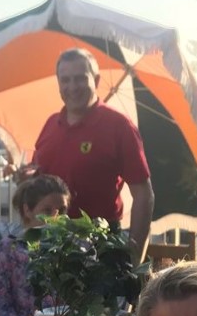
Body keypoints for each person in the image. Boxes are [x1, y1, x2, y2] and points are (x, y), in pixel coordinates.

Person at [30, 48, 153, 262]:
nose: (72, 87)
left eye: (80, 79)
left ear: (96, 81)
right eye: (65, 80)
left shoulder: (119, 126)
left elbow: (144, 195)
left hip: (100, 247)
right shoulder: (50, 125)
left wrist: (134, 257)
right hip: (51, 247)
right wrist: (25, 182)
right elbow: (37, 185)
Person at [0, 174, 68, 316]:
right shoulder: (8, 249)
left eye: (62, 211)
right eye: (47, 211)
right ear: (27, 210)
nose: (55, 218)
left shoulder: (70, 248)